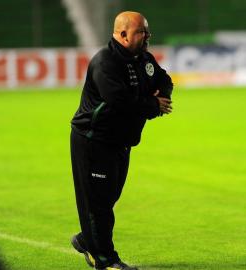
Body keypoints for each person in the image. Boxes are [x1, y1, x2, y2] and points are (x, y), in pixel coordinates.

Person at [69, 11, 173, 270]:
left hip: (120, 142)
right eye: (142, 32)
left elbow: (164, 80)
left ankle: (87, 238)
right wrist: (153, 104)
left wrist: (161, 97)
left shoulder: (143, 59)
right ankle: (104, 260)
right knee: (99, 204)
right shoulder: (105, 62)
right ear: (123, 34)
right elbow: (119, 101)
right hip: (94, 141)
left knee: (109, 197)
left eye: (147, 31)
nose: (147, 36)